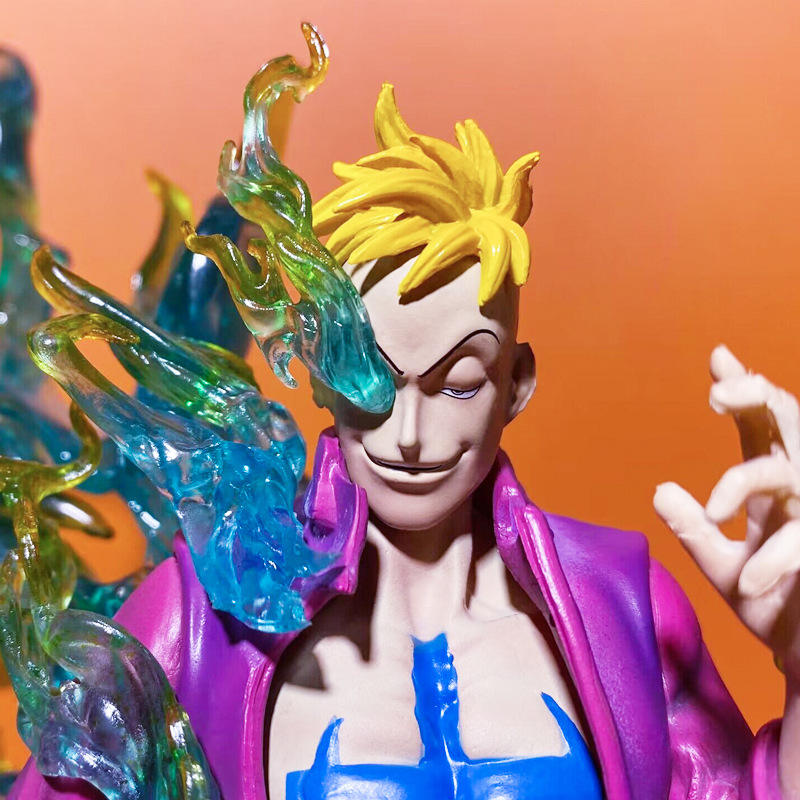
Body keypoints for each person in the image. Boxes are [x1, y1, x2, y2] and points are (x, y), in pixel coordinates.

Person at [11, 85, 798, 800]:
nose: (411, 436)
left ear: (516, 385)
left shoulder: (623, 602)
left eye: (459, 382)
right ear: (323, 376)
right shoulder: (201, 618)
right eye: (374, 384)